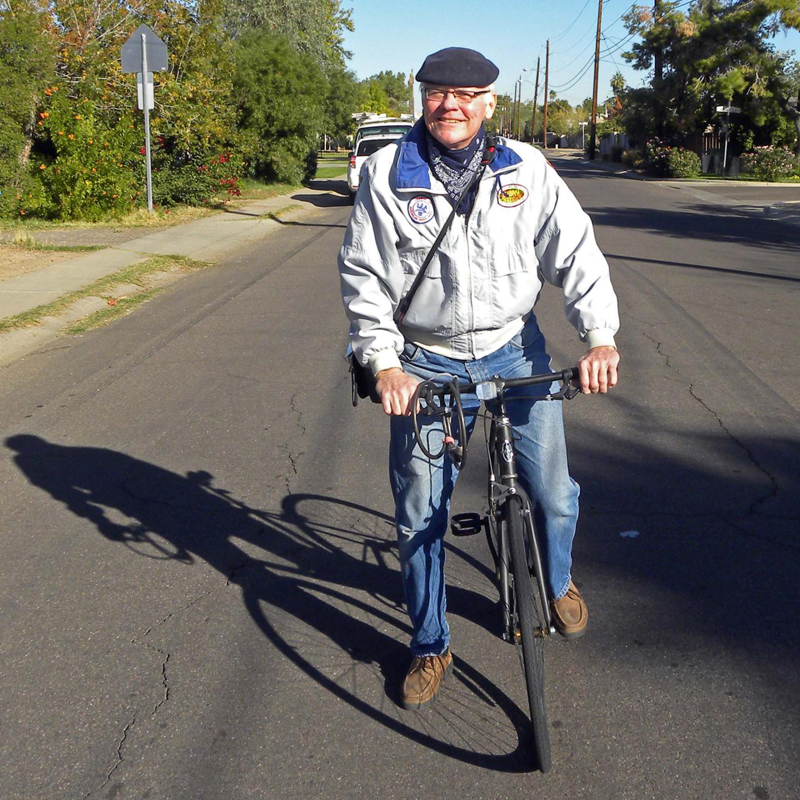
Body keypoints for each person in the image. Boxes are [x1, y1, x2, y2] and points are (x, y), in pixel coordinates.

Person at [338, 47, 620, 710]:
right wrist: (383, 364)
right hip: (426, 359)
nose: (451, 105)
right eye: (438, 92)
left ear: (490, 103)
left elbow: (576, 251)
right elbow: (364, 277)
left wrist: (599, 337)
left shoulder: (526, 169)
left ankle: (556, 583)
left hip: (511, 349)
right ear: (423, 100)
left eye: (466, 94)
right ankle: (431, 644)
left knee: (552, 491)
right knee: (418, 515)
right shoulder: (385, 174)